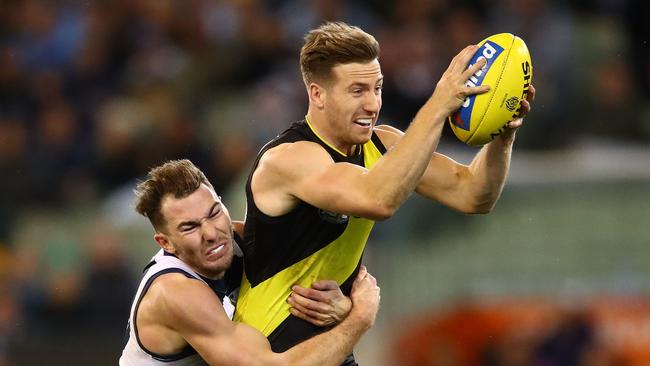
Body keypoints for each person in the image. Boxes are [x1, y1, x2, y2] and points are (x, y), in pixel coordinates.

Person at [234, 21, 535, 364]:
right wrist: (439, 104)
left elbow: (473, 194)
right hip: (270, 353)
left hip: (330, 350)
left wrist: (502, 134)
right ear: (317, 94)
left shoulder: (383, 143)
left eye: (377, 88)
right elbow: (377, 199)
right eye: (357, 90)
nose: (372, 104)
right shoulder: (288, 158)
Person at [119, 159, 381, 366]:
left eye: (214, 213)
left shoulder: (234, 239)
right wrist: (359, 319)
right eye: (190, 227)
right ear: (165, 243)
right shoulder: (175, 292)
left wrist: (342, 306)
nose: (211, 233)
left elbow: (309, 277)